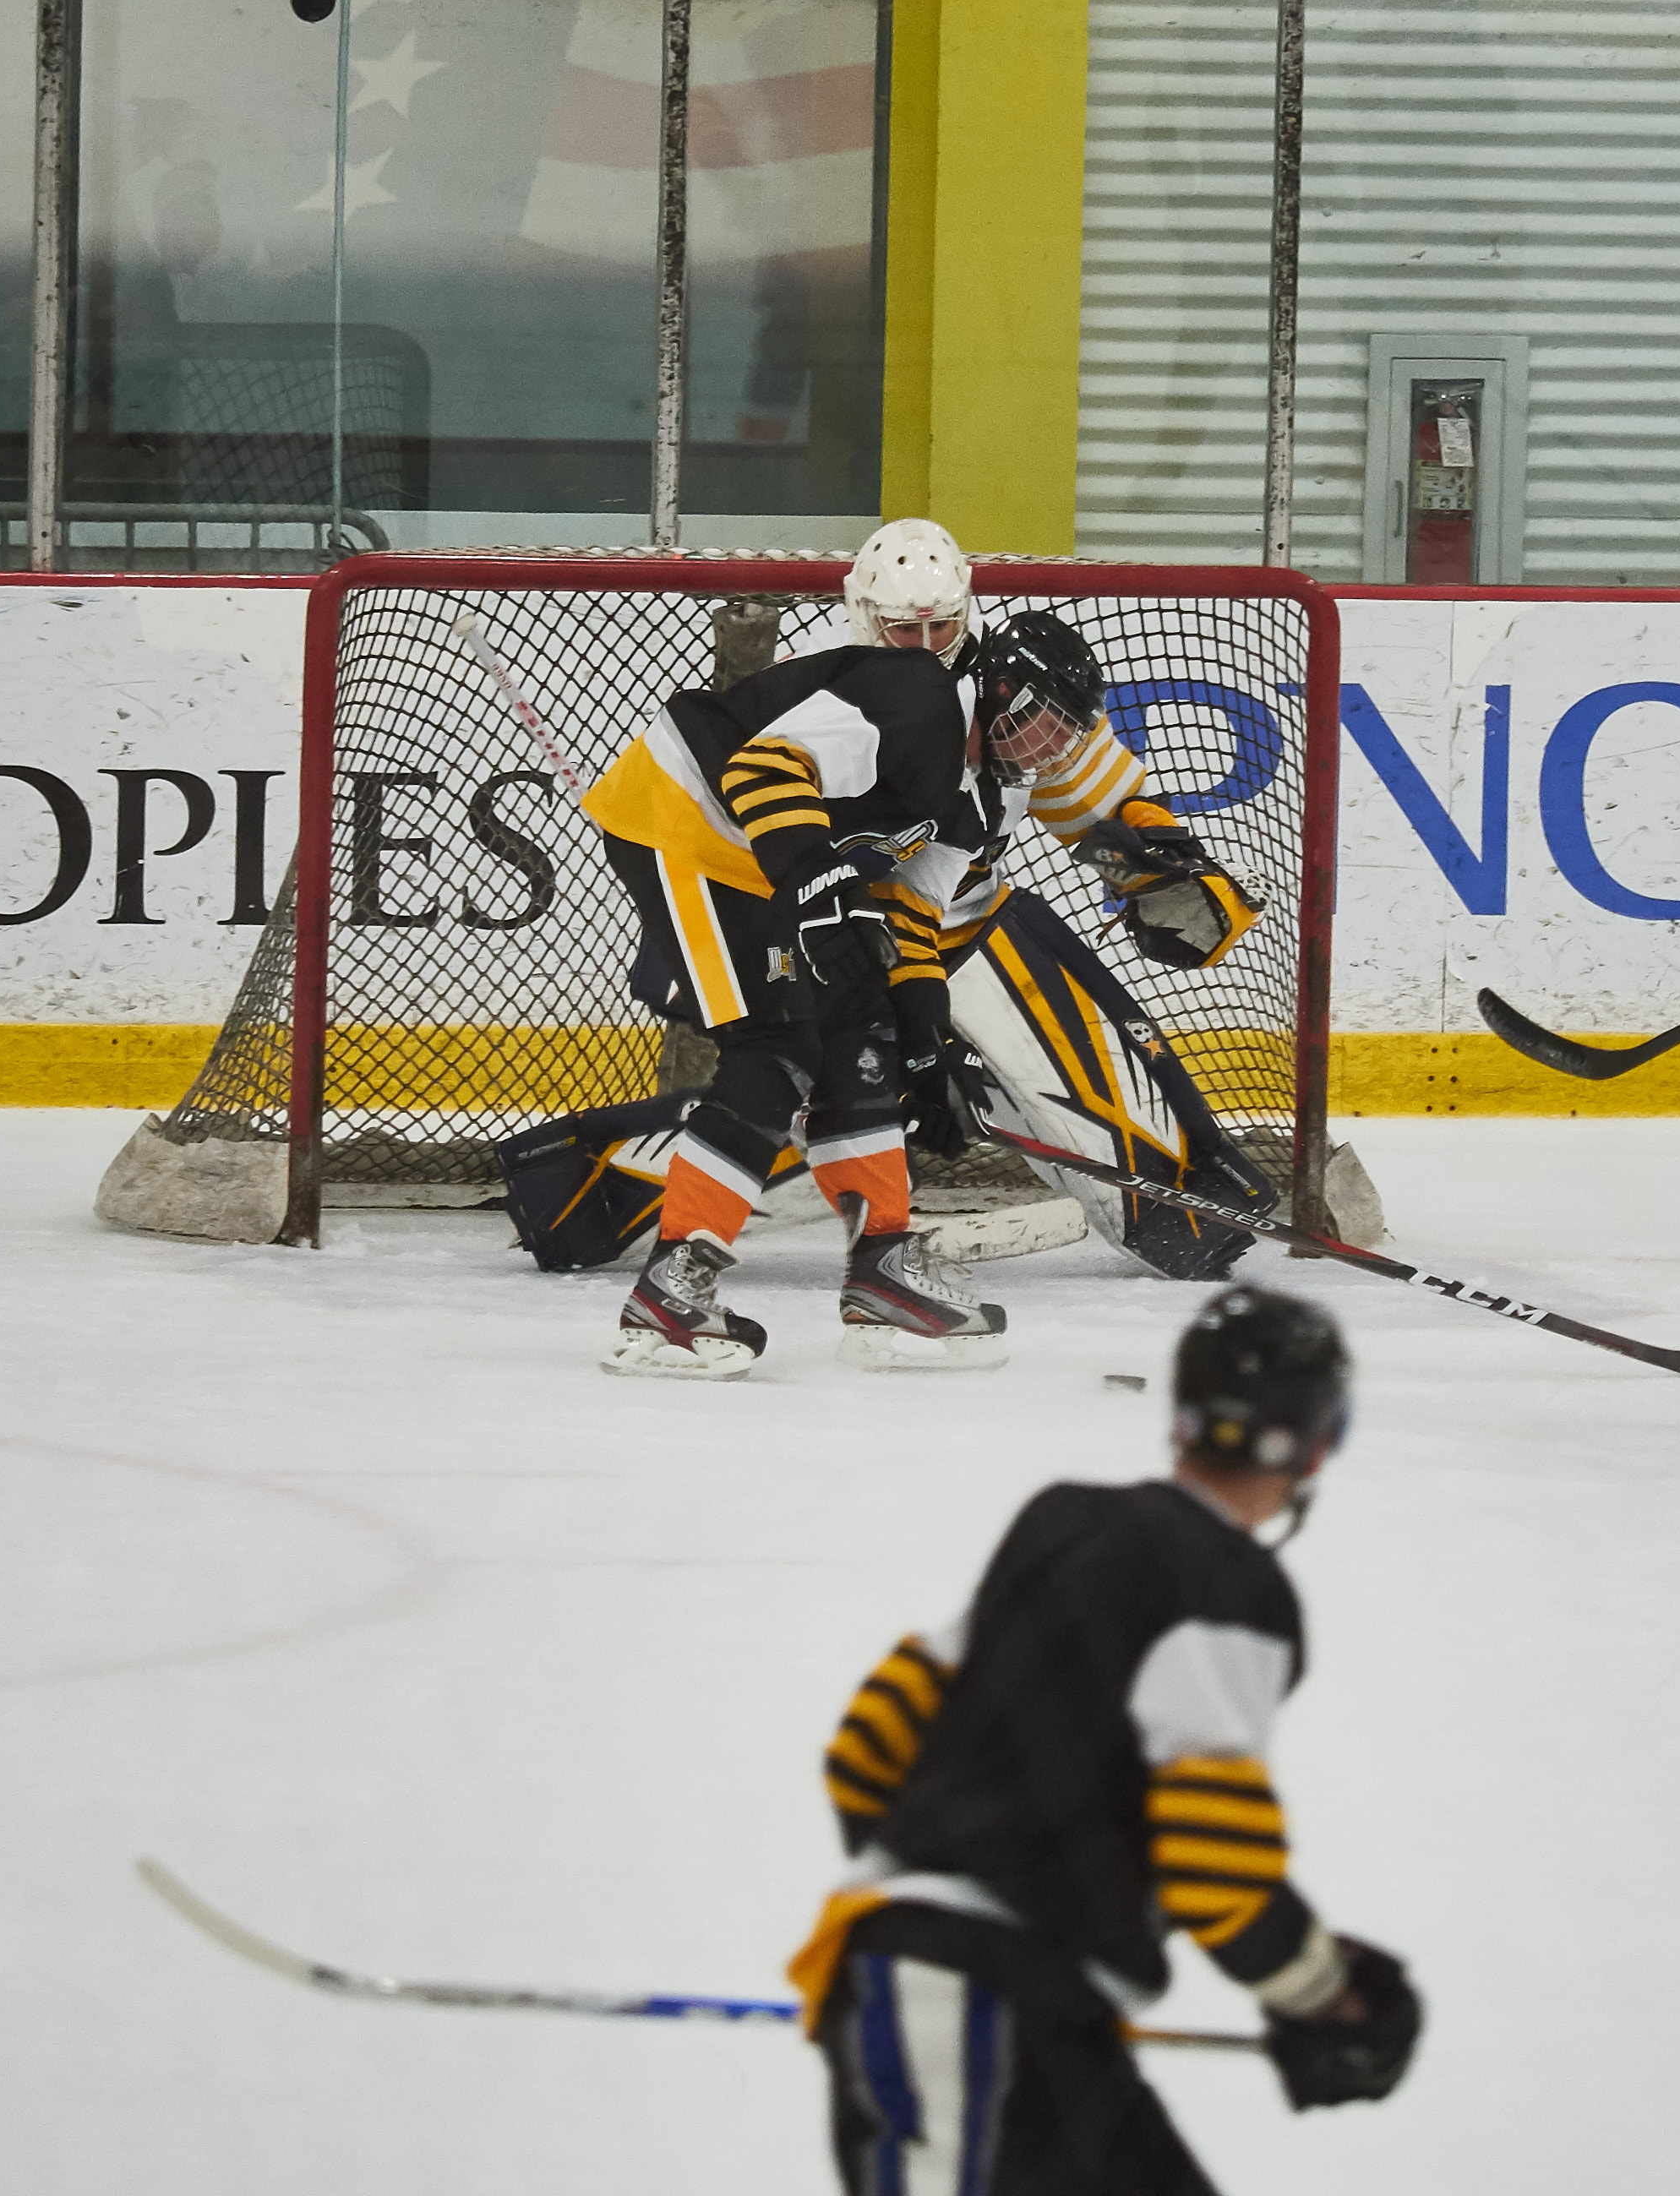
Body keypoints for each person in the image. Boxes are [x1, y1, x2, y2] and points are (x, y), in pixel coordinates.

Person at [788, 1286, 1422, 2193]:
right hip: (984, 1995)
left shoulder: (1062, 1522)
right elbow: (1213, 1858)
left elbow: (870, 1746)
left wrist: (920, 1907)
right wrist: (1329, 1996)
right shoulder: (1234, 1592)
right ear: (1321, 1443)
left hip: (1019, 2009)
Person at [571, 518, 1006, 1376]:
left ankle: (884, 1267)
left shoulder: (981, 756)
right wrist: (817, 887)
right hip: (689, 826)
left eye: (941, 627)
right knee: (777, 1042)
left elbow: (908, 903)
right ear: (866, 619)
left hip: (767, 858)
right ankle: (671, 1290)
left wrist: (922, 1020)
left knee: (861, 1032)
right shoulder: (906, 690)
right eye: (904, 628)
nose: (925, 644)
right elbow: (758, 773)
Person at [894, 605, 1277, 1281]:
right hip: (866, 950)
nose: (1054, 748)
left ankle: (1184, 1207)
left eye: (1062, 729)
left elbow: (1106, 807)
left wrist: (1157, 860)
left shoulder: (1015, 716)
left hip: (972, 927)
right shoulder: (888, 729)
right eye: (1042, 727)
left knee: (1123, 1076)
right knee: (796, 1100)